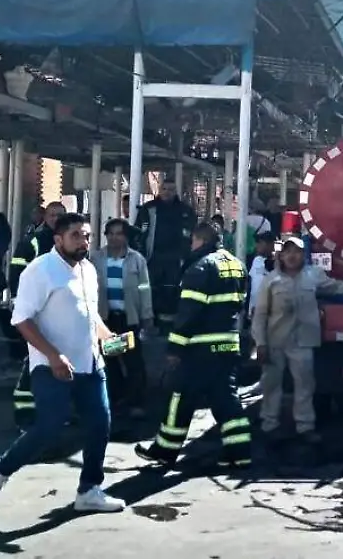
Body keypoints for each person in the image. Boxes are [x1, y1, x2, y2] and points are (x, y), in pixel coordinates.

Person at [0, 213, 125, 513]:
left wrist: (108, 337)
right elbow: (21, 319)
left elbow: (89, 313)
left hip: (90, 364)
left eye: (87, 236)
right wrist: (54, 355)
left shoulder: (88, 269)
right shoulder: (40, 270)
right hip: (50, 366)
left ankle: (90, 489)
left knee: (100, 424)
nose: (84, 242)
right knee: (49, 427)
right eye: (76, 236)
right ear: (58, 239)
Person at [134, 222, 251, 469]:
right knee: (226, 399)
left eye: (193, 241)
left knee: (180, 398)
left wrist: (175, 349)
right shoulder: (237, 265)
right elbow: (239, 305)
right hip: (228, 345)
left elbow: (188, 313)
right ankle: (239, 451)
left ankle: (164, 450)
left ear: (200, 240)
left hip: (199, 349)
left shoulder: (199, 268)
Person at [251, 237, 343, 443]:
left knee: (305, 385)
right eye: (288, 252)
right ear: (281, 256)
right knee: (272, 385)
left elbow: (335, 287)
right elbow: (259, 314)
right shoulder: (271, 280)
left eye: (297, 252)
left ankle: (305, 427)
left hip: (303, 340)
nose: (292, 256)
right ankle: (270, 425)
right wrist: (260, 343)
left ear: (303, 255)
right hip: (276, 341)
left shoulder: (314, 276)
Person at [8, 201, 66, 430]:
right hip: (36, 314)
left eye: (60, 215)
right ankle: (25, 414)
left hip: (57, 314)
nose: (56, 219)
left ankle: (52, 413)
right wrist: (19, 305)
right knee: (34, 362)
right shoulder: (33, 241)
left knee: (50, 363)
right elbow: (16, 272)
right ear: (45, 216)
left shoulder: (68, 242)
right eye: (52, 215)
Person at [91, 218, 154, 419]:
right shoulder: (97, 258)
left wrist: (147, 315)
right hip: (106, 320)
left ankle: (136, 401)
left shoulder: (136, 260)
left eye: (119, 233)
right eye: (110, 233)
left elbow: (145, 288)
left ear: (126, 237)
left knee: (133, 361)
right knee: (110, 360)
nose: (114, 237)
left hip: (129, 319)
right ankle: (116, 399)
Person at [133, 179, 197, 331]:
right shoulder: (148, 209)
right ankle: (148, 325)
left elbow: (192, 236)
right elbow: (137, 233)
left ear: (176, 191)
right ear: (159, 190)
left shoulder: (186, 211)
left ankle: (169, 329)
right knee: (148, 291)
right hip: (152, 259)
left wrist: (186, 258)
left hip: (176, 261)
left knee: (172, 293)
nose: (167, 192)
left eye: (171, 189)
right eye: (164, 189)